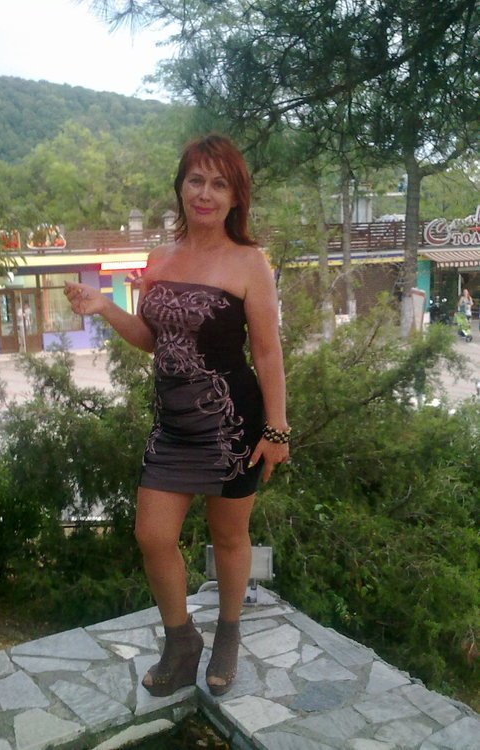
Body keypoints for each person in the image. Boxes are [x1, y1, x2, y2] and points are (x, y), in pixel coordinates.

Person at [64, 134, 289, 697]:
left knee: (229, 536)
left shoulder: (250, 263)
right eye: (196, 180)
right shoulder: (159, 259)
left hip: (232, 426)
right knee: (153, 535)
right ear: (181, 187)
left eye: (219, 184)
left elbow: (267, 353)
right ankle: (181, 639)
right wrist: (105, 306)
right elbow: (153, 340)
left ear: (235, 197)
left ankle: (228, 632)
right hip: (173, 426)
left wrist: (276, 429)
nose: (205, 193)